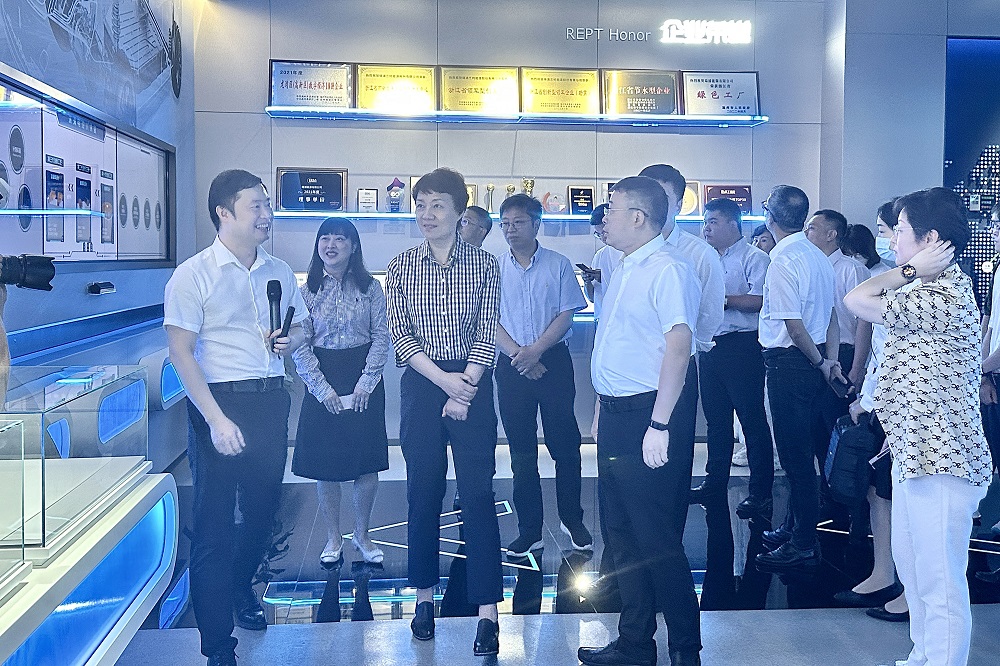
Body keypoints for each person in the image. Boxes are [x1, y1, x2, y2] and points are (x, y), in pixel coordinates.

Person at [164, 169, 308, 666]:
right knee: (214, 526)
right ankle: (218, 648)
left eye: (267, 205)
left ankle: (240, 584)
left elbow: (302, 327)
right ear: (224, 213)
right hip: (218, 404)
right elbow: (181, 353)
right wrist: (216, 421)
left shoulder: (279, 271)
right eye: (256, 206)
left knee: (264, 513)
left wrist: (291, 341)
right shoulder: (193, 274)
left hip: (270, 401)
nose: (267, 215)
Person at [844, 187, 992, 666]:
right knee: (914, 568)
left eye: (901, 231)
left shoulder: (943, 295)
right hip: (916, 452)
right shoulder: (924, 291)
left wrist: (908, 270)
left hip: (943, 457)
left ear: (930, 240)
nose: (892, 240)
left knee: (938, 579)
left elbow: (856, 298)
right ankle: (924, 657)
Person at [579, 176, 702, 666]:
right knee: (622, 535)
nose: (603, 217)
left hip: (648, 416)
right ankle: (635, 643)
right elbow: (616, 342)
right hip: (615, 414)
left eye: (610, 208)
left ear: (638, 217)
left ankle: (685, 649)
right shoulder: (623, 266)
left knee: (656, 539)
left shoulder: (669, 269)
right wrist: (599, 406)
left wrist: (661, 424)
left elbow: (679, 347)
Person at [384, 167, 503, 656]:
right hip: (423, 383)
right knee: (423, 491)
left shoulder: (485, 264)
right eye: (421, 205)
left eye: (437, 205)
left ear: (459, 213)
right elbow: (401, 335)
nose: (427, 214)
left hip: (472, 381)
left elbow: (487, 329)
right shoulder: (400, 266)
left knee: (477, 494)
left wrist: (464, 386)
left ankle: (487, 612)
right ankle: (424, 599)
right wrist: (445, 384)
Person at [494, 194, 591, 556]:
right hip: (511, 364)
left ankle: (572, 519)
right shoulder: (492, 268)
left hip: (554, 362)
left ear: (536, 224)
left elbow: (567, 313)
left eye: (518, 222)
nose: (510, 229)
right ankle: (529, 529)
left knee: (565, 445)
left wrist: (535, 351)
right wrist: (520, 355)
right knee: (521, 451)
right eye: (505, 223)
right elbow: (487, 318)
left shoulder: (558, 264)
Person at [291, 218, 391, 568]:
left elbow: (382, 335)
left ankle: (362, 535)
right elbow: (299, 344)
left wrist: (367, 381)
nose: (330, 245)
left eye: (340, 239)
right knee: (326, 465)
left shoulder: (371, 287)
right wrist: (321, 389)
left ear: (353, 247)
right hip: (323, 376)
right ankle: (333, 537)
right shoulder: (305, 290)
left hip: (363, 376)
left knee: (366, 463)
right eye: (325, 238)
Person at [754, 185, 842, 569]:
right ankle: (794, 529)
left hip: (791, 363)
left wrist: (822, 363)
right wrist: (830, 361)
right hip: (813, 359)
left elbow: (793, 326)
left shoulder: (782, 260)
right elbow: (833, 316)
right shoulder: (817, 255)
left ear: (769, 216)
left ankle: (803, 542)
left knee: (796, 459)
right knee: (803, 454)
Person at [833, 206, 909, 623]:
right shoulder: (890, 280)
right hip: (881, 401)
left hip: (906, 411)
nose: (889, 239)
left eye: (894, 230)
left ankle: (909, 589)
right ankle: (884, 573)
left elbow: (901, 357)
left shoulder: (924, 288)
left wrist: (871, 398)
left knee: (903, 498)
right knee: (879, 492)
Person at [695, 196, 774, 521]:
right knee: (716, 421)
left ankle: (761, 492)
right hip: (709, 345)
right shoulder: (705, 258)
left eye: (713, 222)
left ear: (732, 224)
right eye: (705, 222)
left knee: (751, 420)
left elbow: (760, 300)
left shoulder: (755, 258)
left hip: (742, 346)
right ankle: (714, 483)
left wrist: (723, 300)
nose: (707, 229)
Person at [581, 203, 612, 317]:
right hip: (601, 319)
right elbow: (592, 298)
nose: (603, 238)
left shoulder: (631, 253)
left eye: (604, 233)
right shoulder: (600, 255)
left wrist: (604, 277)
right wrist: (587, 281)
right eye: (598, 234)